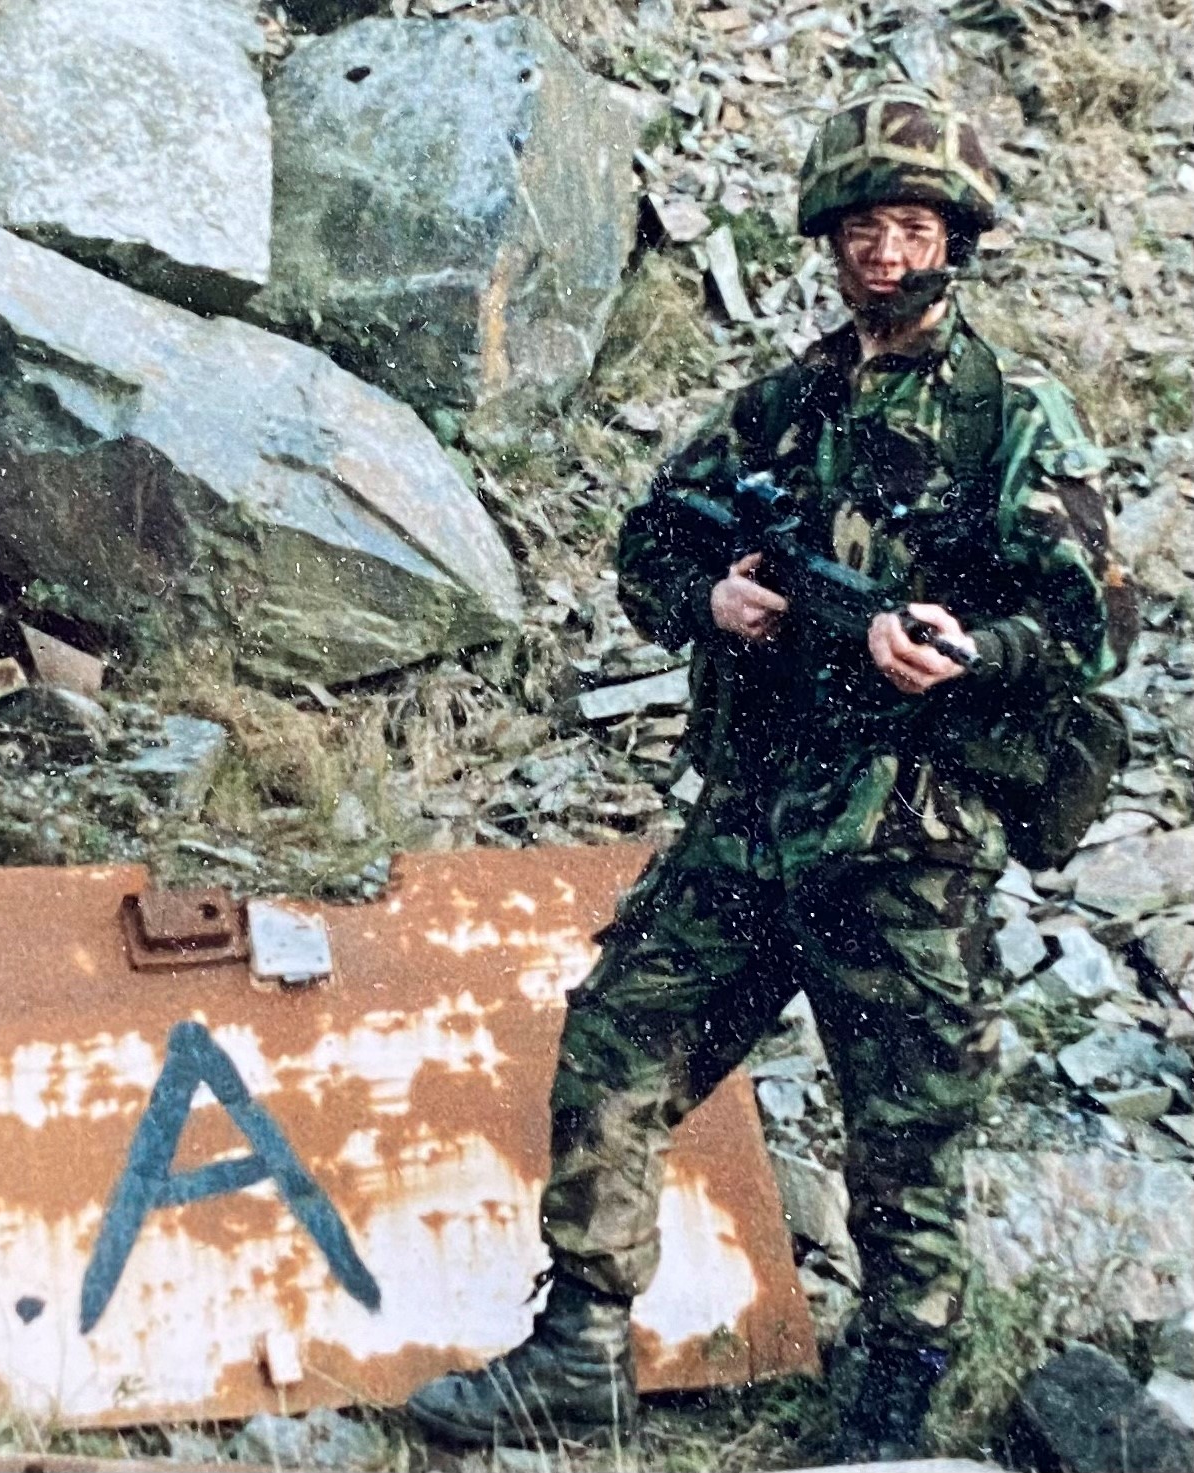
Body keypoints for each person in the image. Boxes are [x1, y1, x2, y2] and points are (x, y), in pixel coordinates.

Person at [406, 87, 1133, 1458]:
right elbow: (645, 547)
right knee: (621, 1039)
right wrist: (711, 602)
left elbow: (1100, 616)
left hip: (907, 837)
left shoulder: (1007, 412)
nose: (882, 254)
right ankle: (578, 1355)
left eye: (910, 226)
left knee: (907, 1141)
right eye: (861, 228)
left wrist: (976, 650)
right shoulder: (784, 405)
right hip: (753, 821)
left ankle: (890, 1407)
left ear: (953, 240)